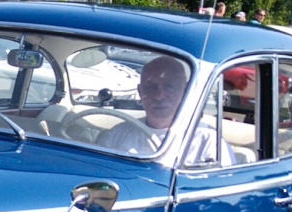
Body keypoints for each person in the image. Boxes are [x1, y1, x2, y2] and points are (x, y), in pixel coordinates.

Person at [98, 56, 235, 166]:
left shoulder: (208, 140)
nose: (159, 95)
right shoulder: (117, 135)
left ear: (185, 90)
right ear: (140, 92)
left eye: (169, 87)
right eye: (151, 87)